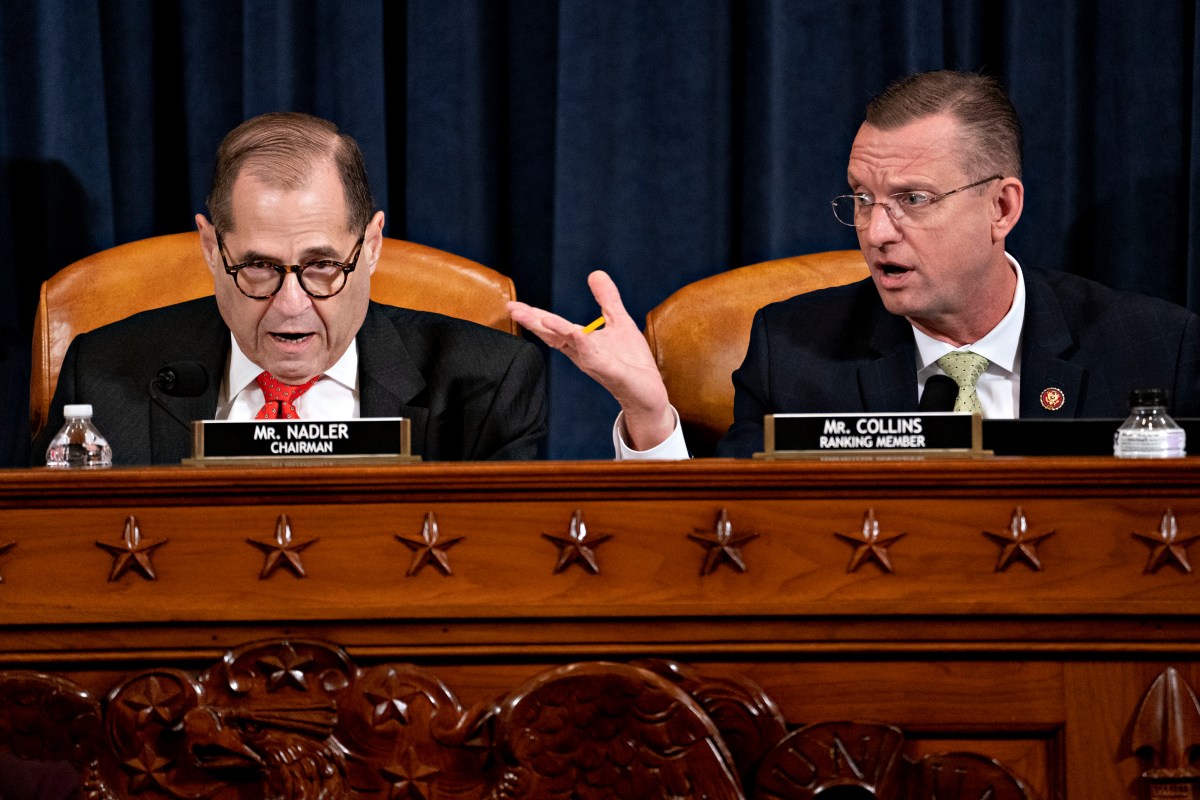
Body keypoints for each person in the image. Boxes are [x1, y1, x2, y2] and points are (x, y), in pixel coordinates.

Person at [508, 70, 1200, 457]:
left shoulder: (1153, 351)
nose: (876, 231)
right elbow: (726, 538)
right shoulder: (796, 351)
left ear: (1002, 208)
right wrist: (652, 417)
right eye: (862, 200)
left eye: (912, 200)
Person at [33, 112, 546, 464]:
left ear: (370, 245)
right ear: (212, 249)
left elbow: (531, 574)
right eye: (258, 266)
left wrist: (633, 425)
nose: (291, 304)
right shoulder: (100, 376)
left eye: (322, 265)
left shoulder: (486, 383)